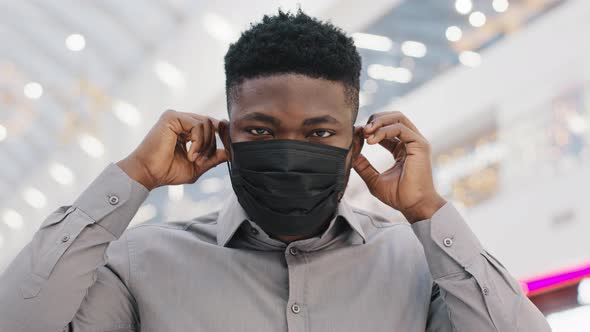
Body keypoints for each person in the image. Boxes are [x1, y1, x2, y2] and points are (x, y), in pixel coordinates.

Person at [0, 9, 550, 332]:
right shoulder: (140, 261)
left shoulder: (418, 263)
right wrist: (131, 178)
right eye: (260, 131)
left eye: (318, 133)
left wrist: (427, 211)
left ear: (358, 140)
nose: (290, 151)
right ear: (226, 135)